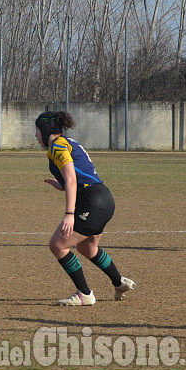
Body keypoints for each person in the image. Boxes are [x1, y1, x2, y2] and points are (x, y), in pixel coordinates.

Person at [35, 111, 135, 306]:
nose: (36, 135)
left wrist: (69, 214)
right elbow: (79, 175)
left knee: (57, 245)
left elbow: (72, 178)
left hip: (91, 202)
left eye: (37, 130)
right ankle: (119, 282)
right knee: (87, 248)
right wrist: (61, 184)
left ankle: (85, 294)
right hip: (104, 199)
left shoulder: (57, 146)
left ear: (46, 130)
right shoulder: (69, 142)